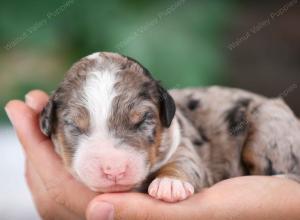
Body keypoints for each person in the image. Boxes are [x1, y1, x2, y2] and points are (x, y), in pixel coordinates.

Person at [5, 90, 300, 220]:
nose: (112, 165)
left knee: (268, 124)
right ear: (49, 123)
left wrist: (173, 175)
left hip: (255, 124)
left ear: (164, 114)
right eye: (76, 128)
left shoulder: (174, 136)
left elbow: (188, 162)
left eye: (138, 123)